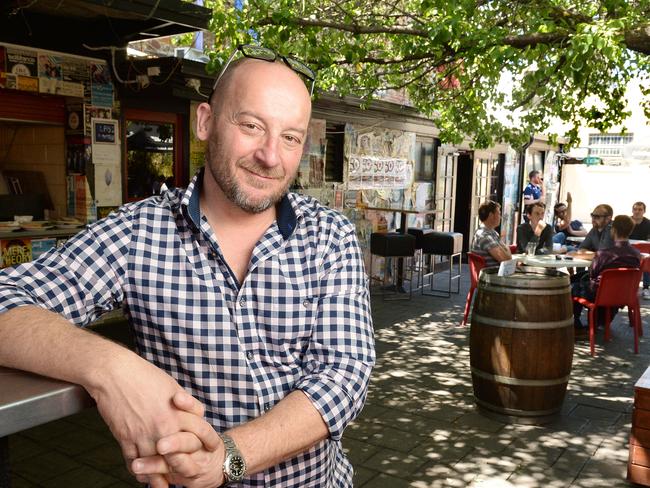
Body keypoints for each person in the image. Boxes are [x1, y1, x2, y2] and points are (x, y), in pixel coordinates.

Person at [0, 47, 375, 487]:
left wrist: (229, 459)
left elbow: (343, 375)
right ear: (205, 122)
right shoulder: (140, 232)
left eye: (290, 137)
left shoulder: (330, 235)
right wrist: (109, 367)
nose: (271, 156)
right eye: (252, 126)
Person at [572, 215, 641, 335]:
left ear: (613, 230)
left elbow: (593, 274)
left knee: (575, 287)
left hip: (599, 295)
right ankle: (599, 322)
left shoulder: (604, 254)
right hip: (623, 295)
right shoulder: (636, 254)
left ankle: (576, 324)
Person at [471, 200, 512, 267]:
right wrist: (504, 246)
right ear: (491, 215)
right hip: (493, 275)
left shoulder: (492, 232)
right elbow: (507, 260)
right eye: (499, 213)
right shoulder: (485, 236)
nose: (500, 217)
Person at [630, 201, 650, 299]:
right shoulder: (627, 222)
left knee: (647, 259)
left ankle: (646, 288)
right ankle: (628, 287)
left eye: (640, 209)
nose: (637, 212)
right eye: (635, 209)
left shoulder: (648, 223)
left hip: (643, 250)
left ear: (644, 211)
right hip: (629, 249)